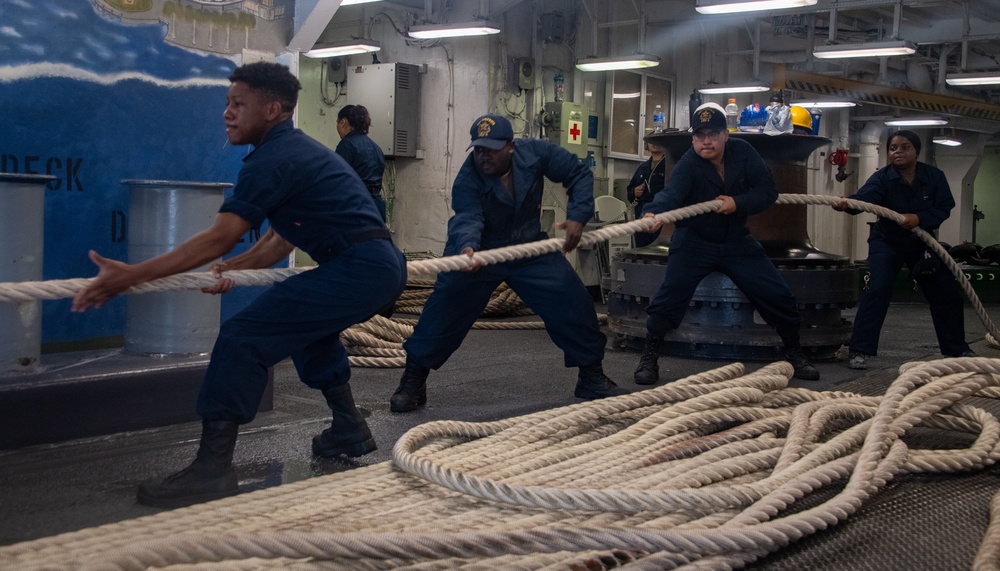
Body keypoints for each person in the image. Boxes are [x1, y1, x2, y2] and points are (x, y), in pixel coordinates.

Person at [71, 62, 407, 508]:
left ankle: (212, 468)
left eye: (237, 104)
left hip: (362, 267)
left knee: (241, 337)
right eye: (227, 104)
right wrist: (232, 268)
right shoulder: (296, 151)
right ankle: (348, 427)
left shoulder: (274, 158)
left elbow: (218, 236)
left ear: (272, 110)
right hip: (375, 267)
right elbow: (275, 242)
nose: (227, 114)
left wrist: (130, 276)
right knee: (306, 330)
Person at [389, 113, 628, 412]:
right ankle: (413, 381)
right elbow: (467, 216)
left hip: (529, 245)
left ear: (511, 147)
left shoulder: (536, 152)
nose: (483, 156)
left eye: (490, 149)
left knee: (572, 301)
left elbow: (578, 173)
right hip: (480, 250)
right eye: (478, 149)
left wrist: (579, 216)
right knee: (444, 309)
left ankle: (591, 377)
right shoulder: (468, 178)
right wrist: (467, 248)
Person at [633, 103, 820, 385]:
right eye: (699, 135)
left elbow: (768, 191)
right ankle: (649, 358)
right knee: (668, 299)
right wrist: (654, 214)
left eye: (712, 133)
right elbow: (671, 193)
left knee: (777, 294)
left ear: (725, 135)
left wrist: (737, 203)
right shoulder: (689, 163)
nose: (706, 140)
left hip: (736, 241)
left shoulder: (744, 153)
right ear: (693, 138)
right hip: (694, 241)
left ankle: (795, 353)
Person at [833, 129, 973, 369]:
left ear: (916, 151)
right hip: (887, 241)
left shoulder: (934, 177)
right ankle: (859, 350)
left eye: (904, 147)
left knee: (945, 292)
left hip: (922, 241)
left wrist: (919, 218)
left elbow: (944, 207)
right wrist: (847, 204)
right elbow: (864, 200)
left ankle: (956, 349)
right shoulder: (882, 178)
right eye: (893, 147)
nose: (898, 151)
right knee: (878, 289)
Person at [336, 104, 387, 222]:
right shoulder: (376, 148)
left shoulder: (347, 145)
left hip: (356, 208)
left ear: (343, 122)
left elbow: (337, 180)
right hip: (377, 209)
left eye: (337, 122)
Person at [626, 139, 667, 247]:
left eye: (657, 141)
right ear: (647, 146)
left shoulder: (670, 166)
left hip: (661, 215)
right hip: (642, 214)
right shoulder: (642, 168)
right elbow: (629, 190)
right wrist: (634, 192)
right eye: (651, 141)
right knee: (641, 247)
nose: (654, 143)